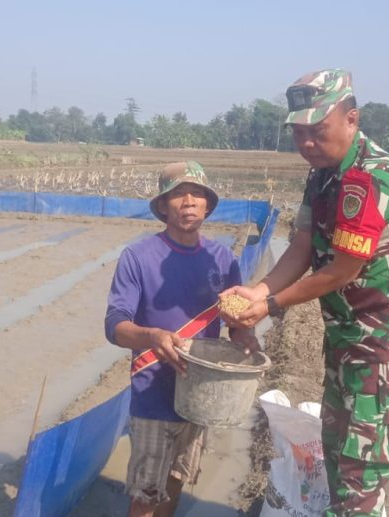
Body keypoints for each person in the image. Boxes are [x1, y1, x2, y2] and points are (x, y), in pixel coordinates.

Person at [219, 69, 389, 517]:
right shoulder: (322, 176)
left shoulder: (371, 178)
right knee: (335, 454)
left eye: (318, 131)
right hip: (347, 337)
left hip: (382, 347)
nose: (307, 143)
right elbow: (301, 247)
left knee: (359, 479)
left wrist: (268, 306)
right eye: (299, 133)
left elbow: (341, 270)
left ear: (351, 119)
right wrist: (255, 290)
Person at [105, 161, 259, 517]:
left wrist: (246, 335)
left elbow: (236, 323)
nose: (188, 201)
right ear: (163, 206)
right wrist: (152, 335)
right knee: (146, 494)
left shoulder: (223, 261)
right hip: (153, 394)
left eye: (197, 194)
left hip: (201, 394)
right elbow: (115, 325)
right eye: (178, 195)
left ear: (208, 205)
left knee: (177, 480)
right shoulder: (138, 258)